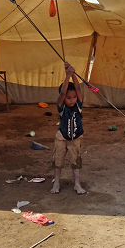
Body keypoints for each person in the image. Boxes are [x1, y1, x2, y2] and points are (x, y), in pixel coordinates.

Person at [51, 62, 86, 194]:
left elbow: (77, 88)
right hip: (61, 138)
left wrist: (73, 74)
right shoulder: (61, 107)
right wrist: (67, 76)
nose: (72, 100)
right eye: (68, 98)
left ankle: (77, 184)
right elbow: (63, 92)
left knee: (75, 161)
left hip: (76, 138)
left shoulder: (78, 105)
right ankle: (57, 183)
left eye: (74, 97)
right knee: (58, 161)